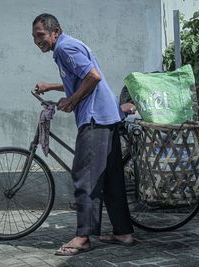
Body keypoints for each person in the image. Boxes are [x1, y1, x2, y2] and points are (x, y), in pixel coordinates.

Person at [32, 13, 135, 256]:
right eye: (34, 37)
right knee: (110, 178)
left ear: (55, 32)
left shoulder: (65, 48)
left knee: (84, 176)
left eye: (40, 35)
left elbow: (93, 77)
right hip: (107, 116)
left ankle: (83, 237)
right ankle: (123, 232)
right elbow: (80, 76)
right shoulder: (66, 48)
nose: (37, 41)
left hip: (94, 118)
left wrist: (73, 100)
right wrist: (52, 86)